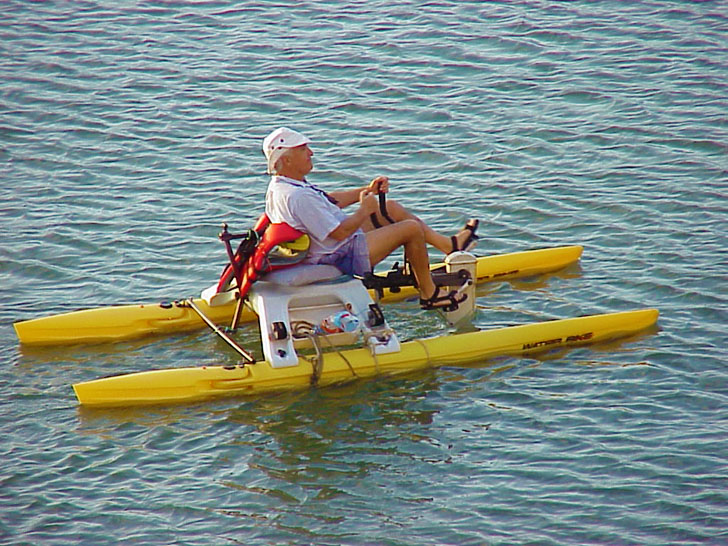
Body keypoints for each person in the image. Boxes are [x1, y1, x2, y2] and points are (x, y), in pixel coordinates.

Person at [262, 127, 479, 310]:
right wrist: (364, 210)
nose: (311, 152)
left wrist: (366, 191)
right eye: (303, 149)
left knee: (390, 208)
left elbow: (330, 200)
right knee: (410, 229)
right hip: (338, 255)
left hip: (330, 245)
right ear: (287, 159)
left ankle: (449, 245)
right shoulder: (297, 196)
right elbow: (340, 233)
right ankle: (430, 294)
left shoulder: (286, 185)